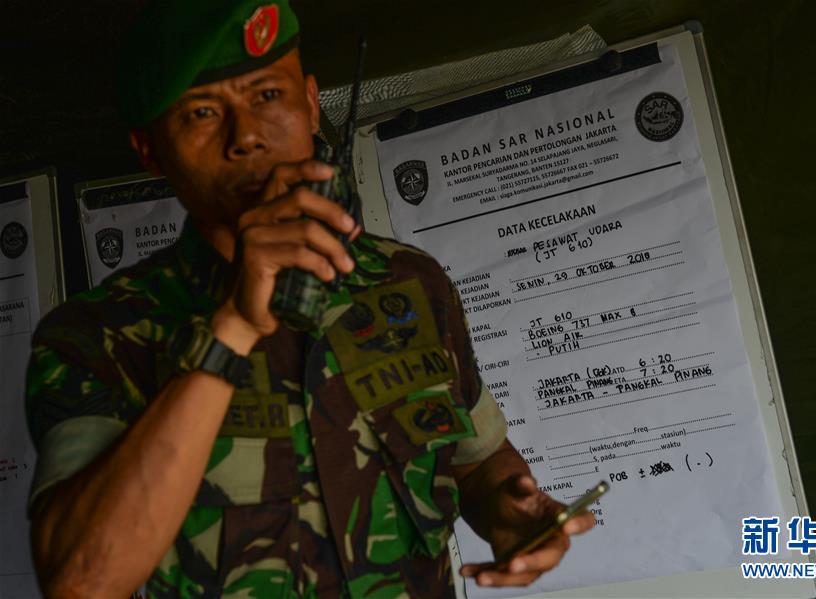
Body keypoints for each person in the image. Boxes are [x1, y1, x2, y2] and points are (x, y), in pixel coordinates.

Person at [24, 1, 595, 597]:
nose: (247, 136)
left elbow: (476, 459)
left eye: (268, 95)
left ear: (311, 102)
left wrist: (509, 512)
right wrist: (232, 328)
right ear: (149, 149)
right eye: (202, 112)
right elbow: (81, 581)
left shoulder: (408, 283)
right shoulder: (95, 334)